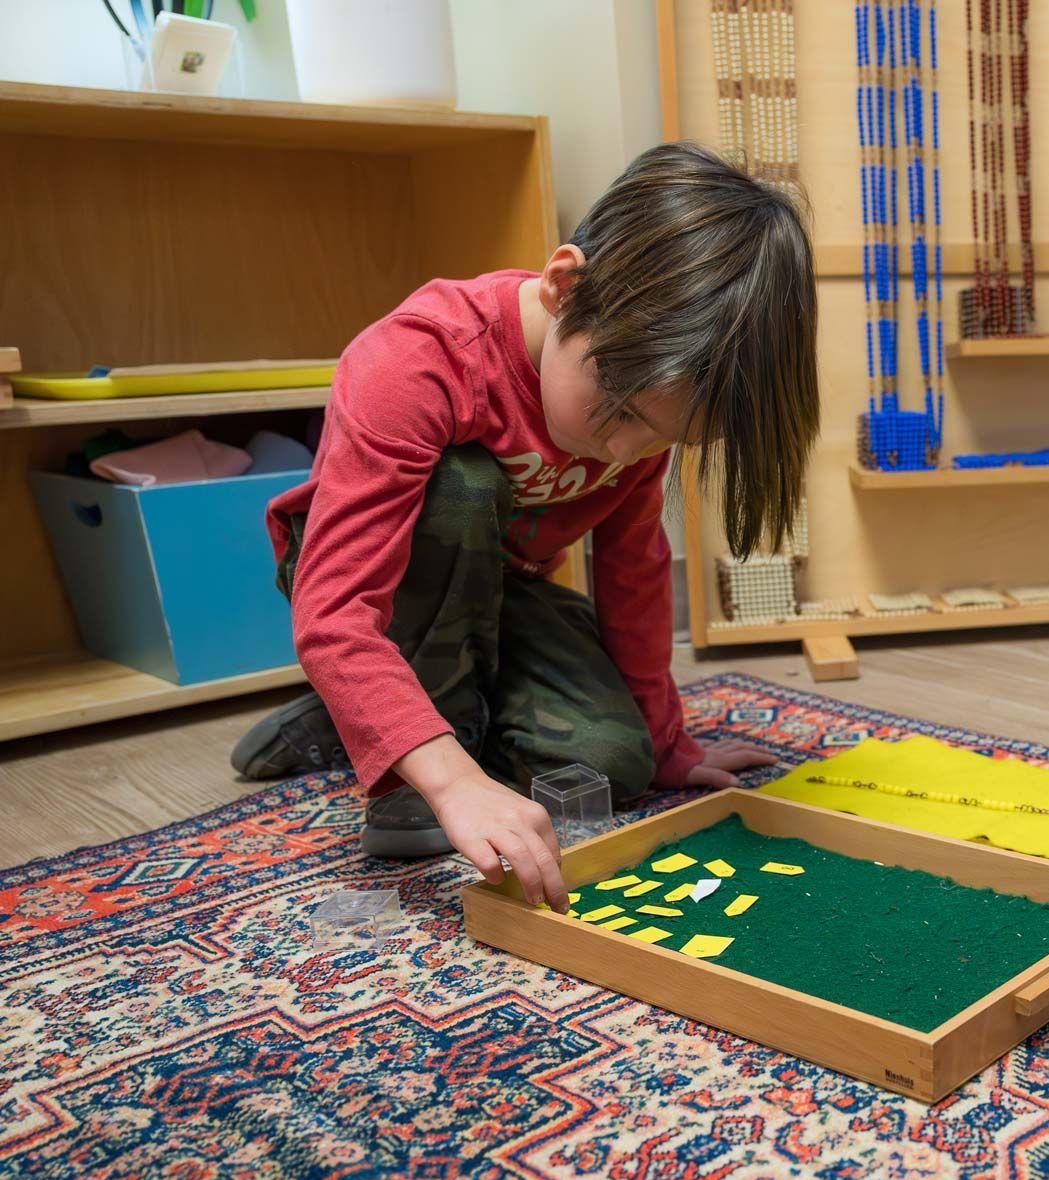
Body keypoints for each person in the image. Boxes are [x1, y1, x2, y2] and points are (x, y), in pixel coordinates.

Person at [230, 142, 817, 912]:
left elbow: (634, 570)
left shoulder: (638, 414)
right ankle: (400, 728)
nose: (623, 451)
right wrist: (453, 783)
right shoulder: (415, 362)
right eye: (620, 413)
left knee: (612, 764)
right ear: (564, 285)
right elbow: (336, 610)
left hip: (500, 595)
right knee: (463, 489)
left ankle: (378, 716)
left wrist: (667, 741)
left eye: (663, 439)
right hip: (376, 581)